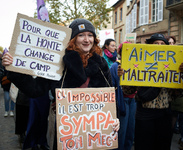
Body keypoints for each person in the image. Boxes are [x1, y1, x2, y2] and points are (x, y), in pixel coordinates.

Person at [2, 18, 120, 150]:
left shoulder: (101, 63)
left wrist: (114, 119)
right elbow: (34, 89)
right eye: (81, 35)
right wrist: (13, 68)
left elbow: (110, 97)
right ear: (72, 39)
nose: (87, 40)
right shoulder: (58, 63)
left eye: (90, 35)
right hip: (67, 130)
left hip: (96, 130)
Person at [117, 33, 183, 150]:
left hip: (164, 114)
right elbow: (129, 90)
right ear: (149, 47)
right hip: (144, 114)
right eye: (156, 44)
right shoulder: (139, 65)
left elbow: (178, 94)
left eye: (162, 44)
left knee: (162, 146)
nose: (160, 46)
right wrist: (124, 77)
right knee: (143, 145)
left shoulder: (173, 65)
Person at [110, 41, 137, 150]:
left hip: (133, 101)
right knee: (121, 133)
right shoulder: (114, 67)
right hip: (122, 102)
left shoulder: (136, 66)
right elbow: (111, 86)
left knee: (130, 131)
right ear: (120, 52)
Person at [165, 35, 183, 135]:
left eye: (173, 43)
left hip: (173, 96)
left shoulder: (178, 58)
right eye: (169, 43)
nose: (172, 45)